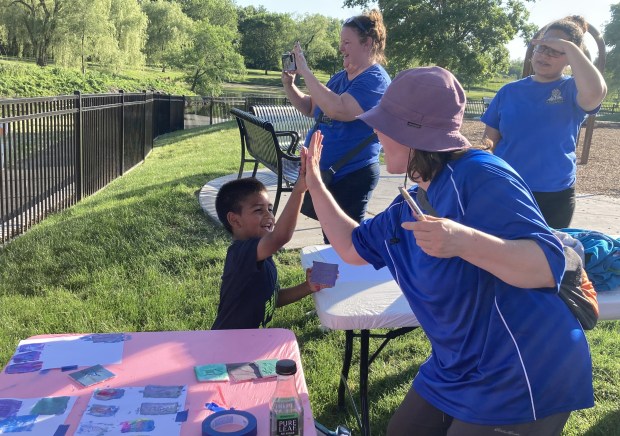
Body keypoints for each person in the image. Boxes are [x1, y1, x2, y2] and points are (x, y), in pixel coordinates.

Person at [302, 67, 593, 435]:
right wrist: (315, 183)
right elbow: (351, 248)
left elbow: (545, 266)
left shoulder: (481, 175)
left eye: (384, 123)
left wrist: (462, 241)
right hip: (457, 363)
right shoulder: (408, 202)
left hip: (522, 367)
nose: (375, 131)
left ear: (411, 133)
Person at [481, 15, 607, 229]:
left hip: (554, 195)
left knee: (547, 258)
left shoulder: (572, 90)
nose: (546, 54)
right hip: (507, 187)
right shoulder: (508, 92)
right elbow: (489, 140)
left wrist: (569, 47)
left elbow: (597, 92)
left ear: (570, 58)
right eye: (543, 47)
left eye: (557, 50)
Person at [281, 9, 390, 239]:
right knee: (330, 237)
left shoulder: (375, 80)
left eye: (347, 42)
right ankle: (330, 275)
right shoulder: (340, 77)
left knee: (346, 241)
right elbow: (313, 108)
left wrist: (306, 71)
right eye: (341, 42)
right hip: (328, 174)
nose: (341, 48)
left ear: (367, 43)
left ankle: (345, 275)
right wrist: (290, 85)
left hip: (352, 175)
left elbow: (339, 110)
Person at [211, 148, 331, 329]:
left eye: (270, 209)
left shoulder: (262, 257)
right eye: (259, 210)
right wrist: (299, 190)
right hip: (228, 345)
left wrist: (307, 287)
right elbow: (280, 237)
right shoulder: (240, 255)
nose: (269, 216)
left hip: (252, 342)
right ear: (235, 220)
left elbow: (270, 298)